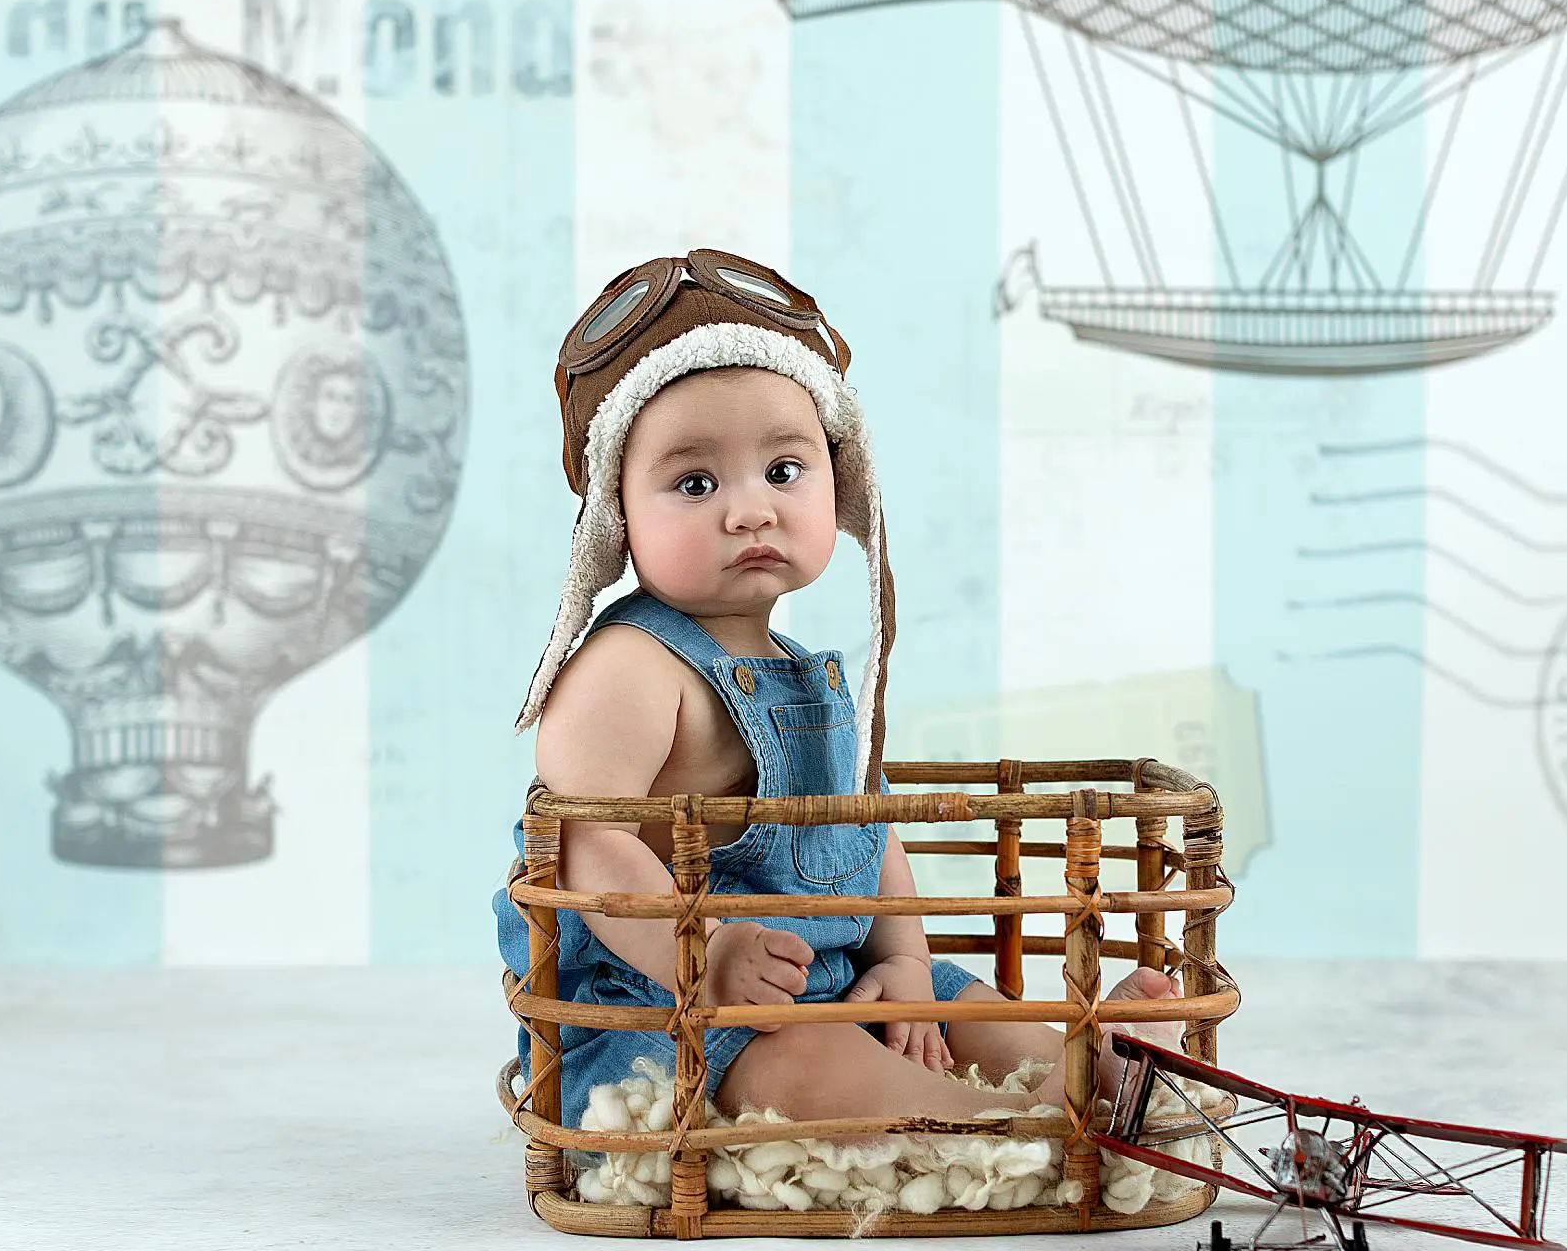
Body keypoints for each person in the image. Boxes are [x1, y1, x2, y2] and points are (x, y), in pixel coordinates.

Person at [494, 248, 1180, 1130]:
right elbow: (584, 847)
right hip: (680, 1012)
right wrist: (702, 952)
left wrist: (901, 955)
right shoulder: (629, 670)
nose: (750, 510)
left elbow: (865, 823)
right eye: (695, 483)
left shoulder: (807, 669)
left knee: (957, 1005)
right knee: (804, 1057)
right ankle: (992, 1126)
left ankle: (1075, 1065)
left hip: (838, 971)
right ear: (617, 518)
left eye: (784, 471)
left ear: (839, 481)